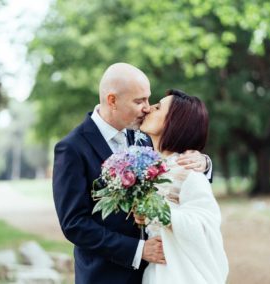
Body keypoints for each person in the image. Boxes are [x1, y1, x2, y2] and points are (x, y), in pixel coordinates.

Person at [52, 63, 212, 284]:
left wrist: (204, 163)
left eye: (148, 99)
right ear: (112, 100)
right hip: (105, 276)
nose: (147, 108)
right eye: (139, 101)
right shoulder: (72, 148)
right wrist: (138, 250)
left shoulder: (145, 136)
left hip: (155, 273)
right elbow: (74, 223)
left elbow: (175, 170)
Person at [136, 89, 229, 284]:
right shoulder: (149, 167)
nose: (149, 108)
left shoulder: (189, 171)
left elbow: (206, 227)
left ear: (174, 121)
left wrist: (159, 211)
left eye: (158, 107)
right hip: (155, 274)